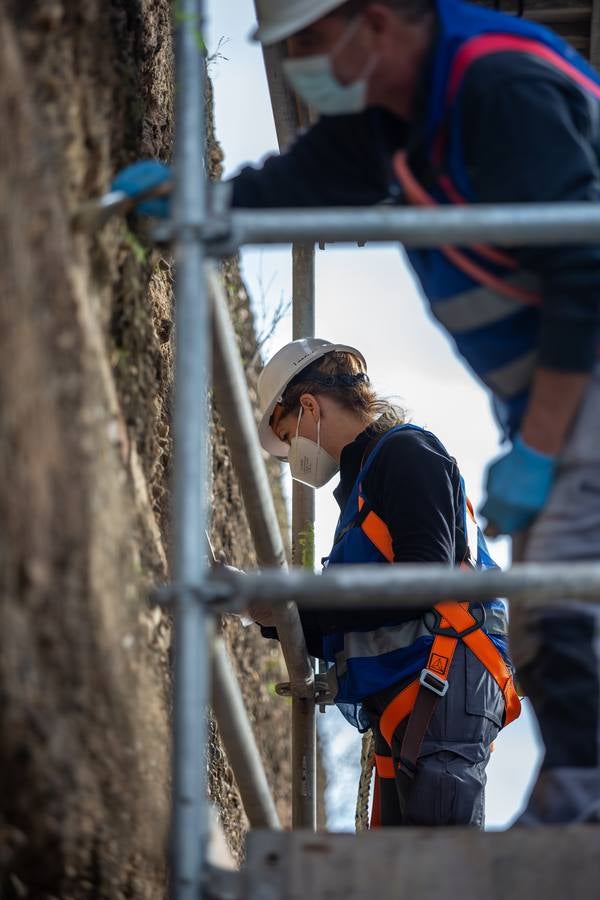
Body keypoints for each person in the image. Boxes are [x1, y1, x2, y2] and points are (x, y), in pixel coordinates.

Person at [113, 0, 600, 824]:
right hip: (554, 403)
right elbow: (304, 181)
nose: (304, 61)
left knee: (557, 602)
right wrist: (205, 210)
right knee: (557, 609)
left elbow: (586, 269)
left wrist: (543, 446)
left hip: (576, 385)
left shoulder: (497, 84)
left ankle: (577, 821)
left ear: (373, 21)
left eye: (308, 40)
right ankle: (572, 810)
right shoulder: (392, 117)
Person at [254, 337, 520, 827]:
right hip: (416, 697)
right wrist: (274, 615)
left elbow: (422, 579)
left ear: (309, 406)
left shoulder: (406, 453)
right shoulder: (360, 497)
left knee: (434, 870)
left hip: (443, 682)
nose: (293, 454)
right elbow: (356, 621)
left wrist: (300, 603)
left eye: (290, 437)